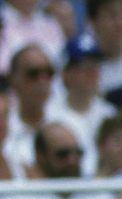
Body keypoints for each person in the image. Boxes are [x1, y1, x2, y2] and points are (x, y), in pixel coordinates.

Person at [45, 33, 116, 176]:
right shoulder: (48, 114)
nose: (91, 73)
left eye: (95, 65)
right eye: (84, 66)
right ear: (66, 73)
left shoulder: (110, 114)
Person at [2, 122, 116, 199]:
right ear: (41, 156)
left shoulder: (99, 196)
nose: (72, 160)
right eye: (63, 154)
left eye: (77, 153)